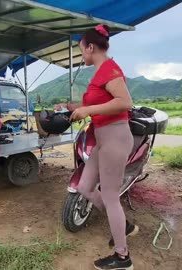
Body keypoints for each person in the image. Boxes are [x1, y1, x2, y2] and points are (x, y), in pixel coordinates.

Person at [55, 24, 135, 270]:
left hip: (115, 139)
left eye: (82, 50)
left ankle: (123, 257)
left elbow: (125, 102)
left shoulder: (110, 68)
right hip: (103, 140)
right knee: (85, 186)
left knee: (110, 195)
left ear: (91, 47)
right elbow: (100, 102)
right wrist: (71, 108)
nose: (82, 56)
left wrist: (87, 110)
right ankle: (124, 226)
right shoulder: (101, 72)